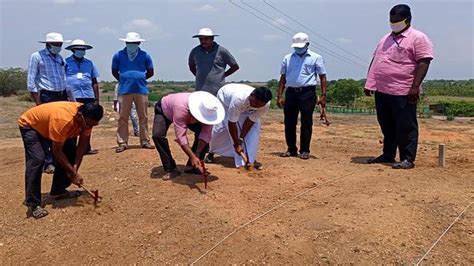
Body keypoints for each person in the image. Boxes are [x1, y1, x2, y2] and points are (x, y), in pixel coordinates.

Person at [365, 4, 433, 169]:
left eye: (397, 20)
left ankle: (407, 158)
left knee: (405, 126)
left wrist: (415, 86)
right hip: (382, 90)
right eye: (391, 20)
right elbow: (376, 60)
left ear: (407, 20)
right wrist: (369, 82)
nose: (393, 23)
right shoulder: (385, 38)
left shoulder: (418, 38)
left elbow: (424, 62)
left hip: (403, 90)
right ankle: (388, 154)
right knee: (386, 124)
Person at [18, 102, 104, 219]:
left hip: (51, 127)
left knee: (70, 151)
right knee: (37, 159)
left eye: (93, 126)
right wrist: (73, 173)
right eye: (88, 125)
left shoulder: (87, 120)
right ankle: (33, 204)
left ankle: (58, 190)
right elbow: (57, 151)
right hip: (31, 125)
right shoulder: (63, 120)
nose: (88, 128)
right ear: (79, 115)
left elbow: (82, 144)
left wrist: (74, 169)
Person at [188, 27, 239, 161]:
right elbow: (191, 66)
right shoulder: (195, 51)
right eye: (201, 39)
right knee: (200, 124)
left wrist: (223, 75)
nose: (202, 41)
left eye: (205, 39)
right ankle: (202, 151)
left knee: (217, 124)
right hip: (200, 93)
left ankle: (212, 152)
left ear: (212, 39)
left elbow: (235, 66)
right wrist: (200, 76)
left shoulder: (221, 51)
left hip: (218, 93)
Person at [277, 32, 327, 160]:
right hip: (291, 92)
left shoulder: (316, 57)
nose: (298, 49)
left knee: (306, 121)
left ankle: (305, 150)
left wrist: (323, 95)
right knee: (289, 122)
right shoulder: (287, 58)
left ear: (307, 44)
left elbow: (322, 77)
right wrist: (279, 95)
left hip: (307, 93)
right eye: (296, 47)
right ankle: (291, 149)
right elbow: (282, 78)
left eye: (301, 46)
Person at [151, 91, 224, 179]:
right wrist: (192, 156)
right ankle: (171, 168)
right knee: (157, 135)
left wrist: (196, 155)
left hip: (190, 116)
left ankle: (192, 166)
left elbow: (206, 135)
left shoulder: (210, 112)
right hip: (164, 109)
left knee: (203, 137)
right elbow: (181, 137)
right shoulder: (181, 108)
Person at [27, 32, 71, 174]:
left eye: (60, 45)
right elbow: (31, 81)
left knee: (61, 128)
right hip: (47, 95)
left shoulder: (60, 59)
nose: (59, 47)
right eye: (56, 45)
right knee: (46, 130)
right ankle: (48, 161)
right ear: (48, 45)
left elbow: (65, 79)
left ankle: (60, 159)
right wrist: (38, 103)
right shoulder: (37, 57)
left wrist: (70, 100)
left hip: (61, 95)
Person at [207, 84, 272, 169]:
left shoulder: (265, 105)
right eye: (255, 103)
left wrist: (240, 139)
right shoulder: (238, 99)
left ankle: (249, 160)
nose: (257, 106)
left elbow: (250, 121)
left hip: (244, 107)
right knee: (221, 129)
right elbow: (232, 123)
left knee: (253, 132)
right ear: (251, 96)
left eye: (260, 105)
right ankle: (211, 152)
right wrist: (236, 144)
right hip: (225, 100)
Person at [112, 32, 154, 153]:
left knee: (143, 116)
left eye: (134, 43)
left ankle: (145, 141)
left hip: (141, 89)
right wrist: (124, 79)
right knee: (123, 117)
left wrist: (140, 78)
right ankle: (122, 142)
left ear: (139, 43)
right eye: (129, 43)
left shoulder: (145, 55)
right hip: (124, 89)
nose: (131, 45)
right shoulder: (118, 55)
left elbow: (151, 71)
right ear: (125, 43)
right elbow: (114, 71)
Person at [65, 39, 100, 154]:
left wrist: (96, 99)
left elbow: (94, 81)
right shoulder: (66, 62)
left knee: (88, 123)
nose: (81, 51)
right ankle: (73, 149)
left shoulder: (89, 63)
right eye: (79, 49)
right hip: (73, 97)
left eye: (83, 49)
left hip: (88, 96)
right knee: (74, 122)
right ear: (73, 50)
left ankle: (86, 148)